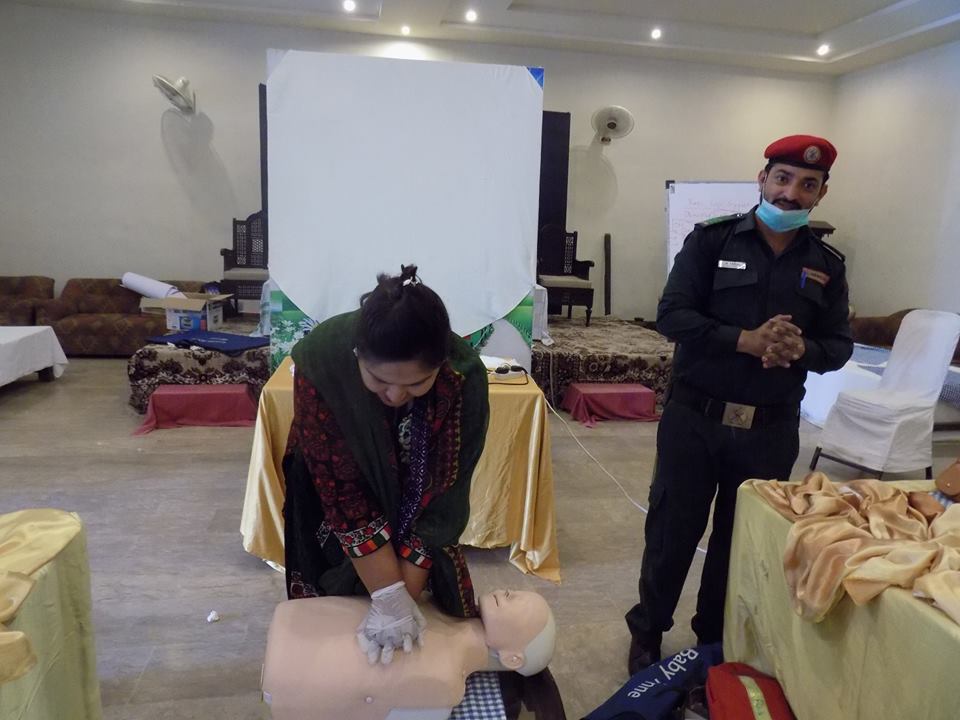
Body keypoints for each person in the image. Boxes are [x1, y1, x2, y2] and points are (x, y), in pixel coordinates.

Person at [625, 135, 854, 674]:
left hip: (769, 431)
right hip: (694, 420)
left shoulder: (827, 265)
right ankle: (648, 633)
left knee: (741, 540)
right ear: (762, 179)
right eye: (782, 178)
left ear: (821, 194)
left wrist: (804, 350)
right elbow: (671, 316)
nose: (791, 192)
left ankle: (713, 642)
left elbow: (839, 345)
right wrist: (745, 340)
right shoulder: (711, 242)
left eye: (807, 184)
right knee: (671, 531)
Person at [282, 264, 490, 665]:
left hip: (419, 504)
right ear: (359, 355)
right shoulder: (322, 360)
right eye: (378, 380)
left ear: (440, 364)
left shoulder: (463, 378)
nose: (395, 395)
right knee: (333, 626)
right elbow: (341, 489)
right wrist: (388, 596)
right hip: (334, 503)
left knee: (414, 640)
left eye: (415, 385)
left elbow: (445, 491)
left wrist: (400, 602)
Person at [261, 589, 556, 720]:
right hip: (304, 639)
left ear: (513, 658)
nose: (507, 592)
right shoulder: (444, 603)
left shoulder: (443, 682)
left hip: (297, 663)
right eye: (514, 592)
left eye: (516, 601)